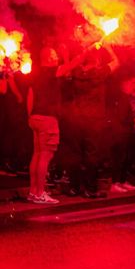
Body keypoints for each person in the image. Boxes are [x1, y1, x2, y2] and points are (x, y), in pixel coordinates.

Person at [26, 45, 90, 204]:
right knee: (45, 157)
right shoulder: (51, 71)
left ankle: (33, 192)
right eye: (54, 55)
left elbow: (30, 95)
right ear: (48, 59)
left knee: (37, 155)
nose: (57, 57)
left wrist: (30, 116)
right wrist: (87, 50)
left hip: (35, 118)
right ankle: (40, 193)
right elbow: (73, 64)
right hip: (48, 119)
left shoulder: (35, 74)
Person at [62, 44, 119, 198]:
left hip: (75, 118)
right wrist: (108, 47)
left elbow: (68, 68)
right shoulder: (99, 73)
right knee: (92, 154)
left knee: (75, 153)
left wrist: (77, 55)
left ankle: (74, 187)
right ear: (95, 62)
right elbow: (116, 62)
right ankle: (90, 188)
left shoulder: (75, 72)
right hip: (93, 119)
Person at [109, 72, 135, 193]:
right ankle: (115, 182)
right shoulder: (121, 97)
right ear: (125, 84)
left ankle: (123, 180)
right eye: (133, 83)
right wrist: (134, 120)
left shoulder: (133, 97)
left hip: (131, 131)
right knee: (119, 157)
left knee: (128, 157)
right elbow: (121, 116)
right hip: (120, 132)